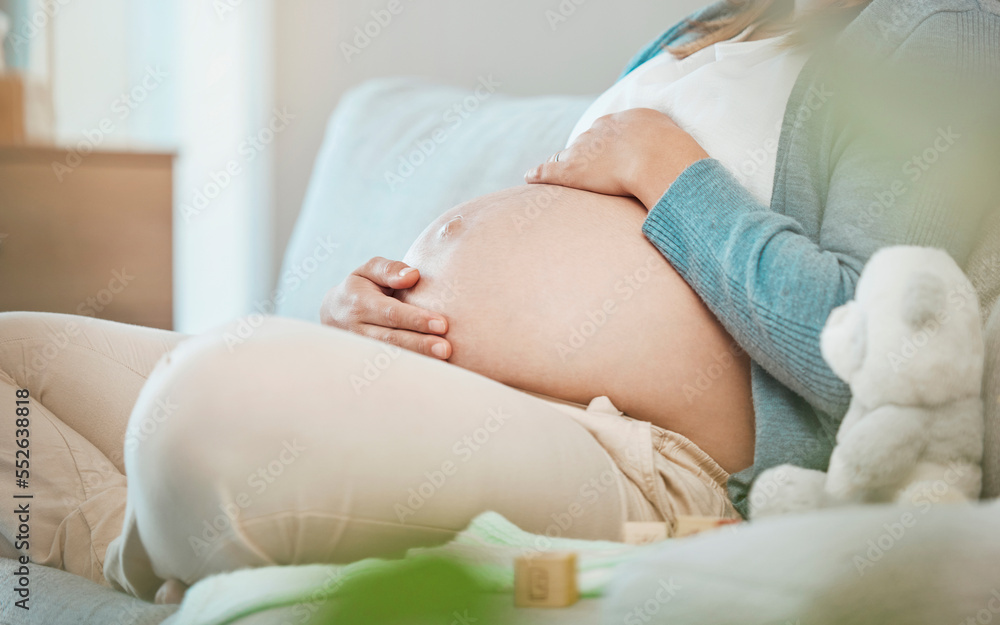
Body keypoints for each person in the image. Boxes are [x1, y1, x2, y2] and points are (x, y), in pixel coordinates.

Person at [1, 0, 997, 605]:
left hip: (640, 460)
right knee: (12, 362)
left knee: (202, 419)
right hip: (427, 391)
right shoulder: (715, 28)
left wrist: (667, 166)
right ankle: (186, 541)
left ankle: (173, 531)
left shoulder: (938, 30)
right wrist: (363, 305)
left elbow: (869, 350)